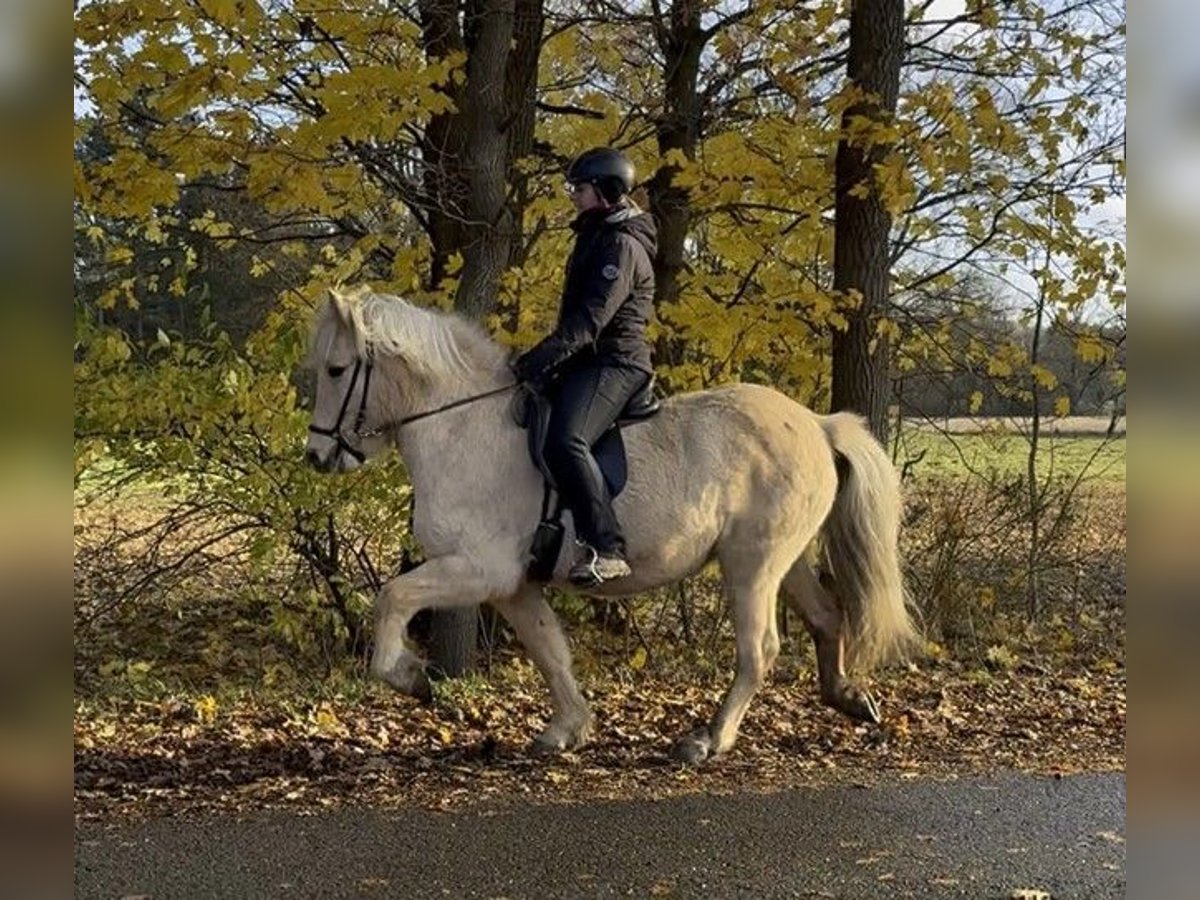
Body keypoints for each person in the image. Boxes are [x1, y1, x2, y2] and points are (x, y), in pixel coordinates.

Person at [512, 147, 658, 586]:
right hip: (587, 362)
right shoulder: (594, 234)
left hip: (617, 363)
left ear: (607, 192)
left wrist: (536, 360)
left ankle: (608, 548)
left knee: (566, 441)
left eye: (580, 188)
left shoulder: (622, 246)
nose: (573, 195)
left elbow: (590, 323)